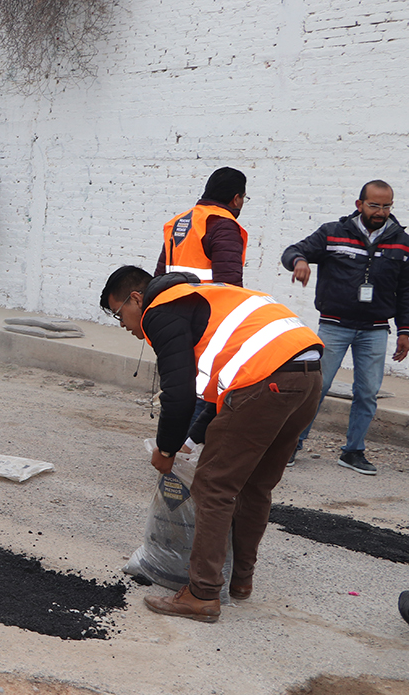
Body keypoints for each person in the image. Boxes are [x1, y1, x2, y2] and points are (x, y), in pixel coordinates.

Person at [100, 266, 323, 621]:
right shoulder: (205, 297)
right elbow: (220, 396)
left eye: (118, 313)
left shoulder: (162, 309)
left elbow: (178, 393)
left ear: (136, 299)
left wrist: (167, 449)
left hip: (267, 377)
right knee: (256, 484)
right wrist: (189, 440)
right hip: (306, 375)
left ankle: (202, 594)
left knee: (213, 485)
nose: (123, 324)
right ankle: (240, 581)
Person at [281, 180, 409, 475]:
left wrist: (405, 330)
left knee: (367, 392)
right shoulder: (332, 233)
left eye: (386, 206)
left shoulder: (402, 242)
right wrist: (299, 261)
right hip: (334, 326)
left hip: (376, 330)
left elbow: (405, 292)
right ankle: (292, 444)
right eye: (374, 205)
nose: (380, 211)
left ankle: (353, 451)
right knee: (317, 387)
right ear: (359, 204)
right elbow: (292, 250)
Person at [154, 167, 249, 285]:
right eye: (243, 197)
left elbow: (159, 277)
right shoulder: (223, 226)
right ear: (235, 199)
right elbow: (229, 285)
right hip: (204, 302)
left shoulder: (178, 222)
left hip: (171, 300)